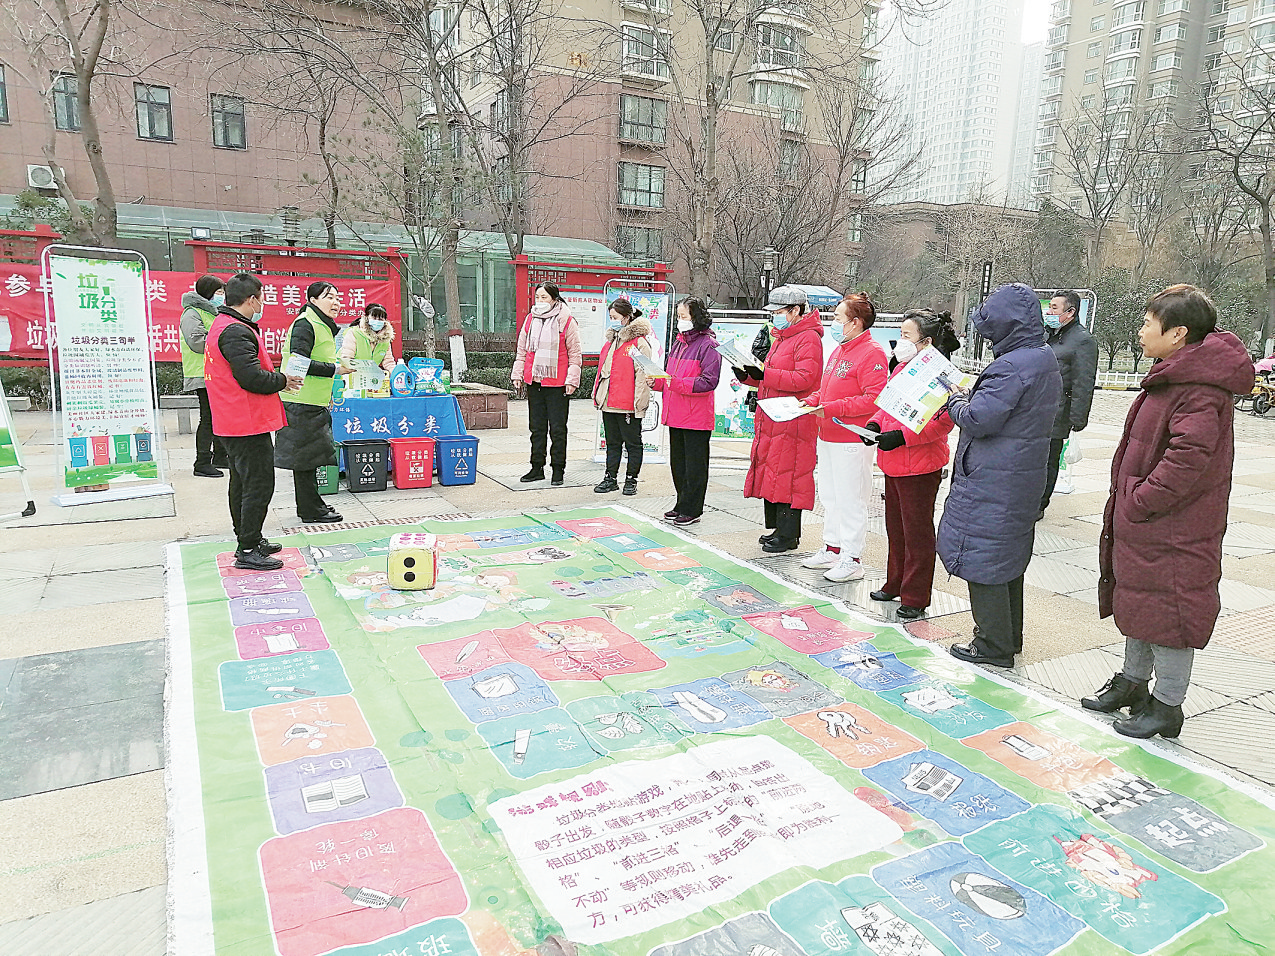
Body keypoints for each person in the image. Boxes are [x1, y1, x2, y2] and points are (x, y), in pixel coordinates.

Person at [1083, 285, 1255, 738]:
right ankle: (1133, 685)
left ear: (1178, 333)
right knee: (1141, 603)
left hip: (1175, 528)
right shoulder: (1172, 375)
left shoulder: (1199, 389)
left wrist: (1141, 499)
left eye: (1147, 324)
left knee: (1174, 614)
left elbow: (1187, 459)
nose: (1141, 332)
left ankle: (1167, 705)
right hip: (1150, 524)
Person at [940, 283, 1062, 667]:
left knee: (984, 557)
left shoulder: (1011, 366)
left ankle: (991, 644)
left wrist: (956, 400)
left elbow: (980, 418)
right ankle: (1009, 636)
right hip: (1020, 473)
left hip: (994, 477)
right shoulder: (1042, 357)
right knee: (1007, 558)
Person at [863, 310, 961, 618]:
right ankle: (895, 582)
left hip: (920, 465)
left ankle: (915, 595)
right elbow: (886, 403)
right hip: (893, 461)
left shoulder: (945, 376)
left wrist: (901, 437)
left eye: (907, 336)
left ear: (927, 341)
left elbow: (941, 424)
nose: (900, 342)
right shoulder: (902, 368)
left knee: (917, 531)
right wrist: (875, 426)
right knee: (896, 527)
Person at [204, 273, 302, 571]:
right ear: (251, 299)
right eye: (261, 298)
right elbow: (251, 377)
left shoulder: (225, 325)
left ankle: (250, 537)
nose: (262, 304)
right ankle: (247, 547)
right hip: (244, 420)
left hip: (235, 418)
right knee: (258, 484)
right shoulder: (235, 331)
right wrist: (283, 379)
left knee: (243, 482)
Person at [804, 293, 888, 581]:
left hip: (851, 437)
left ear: (855, 322)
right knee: (830, 495)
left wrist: (829, 408)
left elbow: (873, 399)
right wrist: (811, 401)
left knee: (851, 499)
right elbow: (828, 388)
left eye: (838, 318)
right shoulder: (841, 349)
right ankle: (833, 547)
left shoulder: (872, 353)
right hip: (827, 434)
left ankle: (852, 557)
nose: (834, 323)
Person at [737, 285, 824, 553]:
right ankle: (779, 530)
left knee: (790, 476)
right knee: (775, 474)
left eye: (778, 311)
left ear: (795, 311)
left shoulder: (808, 338)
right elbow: (773, 375)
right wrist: (750, 377)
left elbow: (805, 379)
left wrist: (764, 376)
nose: (774, 316)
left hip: (793, 417)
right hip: (776, 415)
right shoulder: (784, 336)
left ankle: (788, 535)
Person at [276, 282, 350, 524]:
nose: (336, 302)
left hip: (313, 401)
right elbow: (298, 362)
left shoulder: (322, 325)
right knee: (305, 460)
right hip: (300, 401)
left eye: (338, 298)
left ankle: (311, 503)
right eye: (329, 297)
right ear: (313, 300)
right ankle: (309, 510)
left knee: (310, 458)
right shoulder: (305, 324)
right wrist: (336, 369)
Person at [651, 297, 721, 526]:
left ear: (696, 317)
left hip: (696, 416)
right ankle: (681, 503)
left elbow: (708, 381)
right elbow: (669, 376)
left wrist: (676, 383)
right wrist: (658, 383)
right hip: (676, 413)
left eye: (684, 317)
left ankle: (693, 508)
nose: (680, 321)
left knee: (695, 466)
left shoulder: (708, 345)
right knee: (678, 464)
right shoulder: (679, 342)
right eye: (678, 316)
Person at [512, 282, 582, 486]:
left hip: (558, 383)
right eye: (538, 297)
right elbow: (522, 350)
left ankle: (558, 469)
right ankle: (536, 467)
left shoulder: (566, 320)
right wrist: (518, 374)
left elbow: (575, 353)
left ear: (554, 298)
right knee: (537, 427)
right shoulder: (530, 319)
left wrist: (572, 380)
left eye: (544, 297)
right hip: (535, 381)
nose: (540, 301)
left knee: (558, 428)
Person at [1040, 290, 1098, 520]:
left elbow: (1083, 382)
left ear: (1071, 311)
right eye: (1049, 307)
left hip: (1058, 411)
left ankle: (1039, 504)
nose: (1050, 312)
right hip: (1039, 409)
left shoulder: (1083, 341)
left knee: (1048, 461)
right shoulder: (1051, 335)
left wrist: (1077, 419)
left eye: (1055, 308)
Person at [592, 298, 654, 496]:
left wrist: (639, 405)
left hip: (627, 404)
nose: (613, 321)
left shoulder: (639, 343)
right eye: (610, 317)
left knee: (633, 443)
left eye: (615, 317)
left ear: (627, 317)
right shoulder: (611, 341)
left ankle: (631, 479)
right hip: (609, 402)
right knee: (612, 443)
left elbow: (644, 375)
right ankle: (610, 477)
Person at [180, 274, 230, 477]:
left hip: (215, 372)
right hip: (201, 373)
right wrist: (224, 341)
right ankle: (201, 462)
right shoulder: (192, 313)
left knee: (218, 416)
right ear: (208, 292)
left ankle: (220, 456)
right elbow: (196, 341)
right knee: (208, 418)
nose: (221, 296)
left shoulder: (211, 312)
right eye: (218, 292)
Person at [338, 302, 397, 375]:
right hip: (349, 375)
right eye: (374, 318)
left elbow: (388, 362)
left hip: (369, 378)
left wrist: (396, 373)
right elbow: (347, 359)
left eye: (381, 319)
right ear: (366, 318)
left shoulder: (385, 339)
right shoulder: (354, 333)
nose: (377, 321)